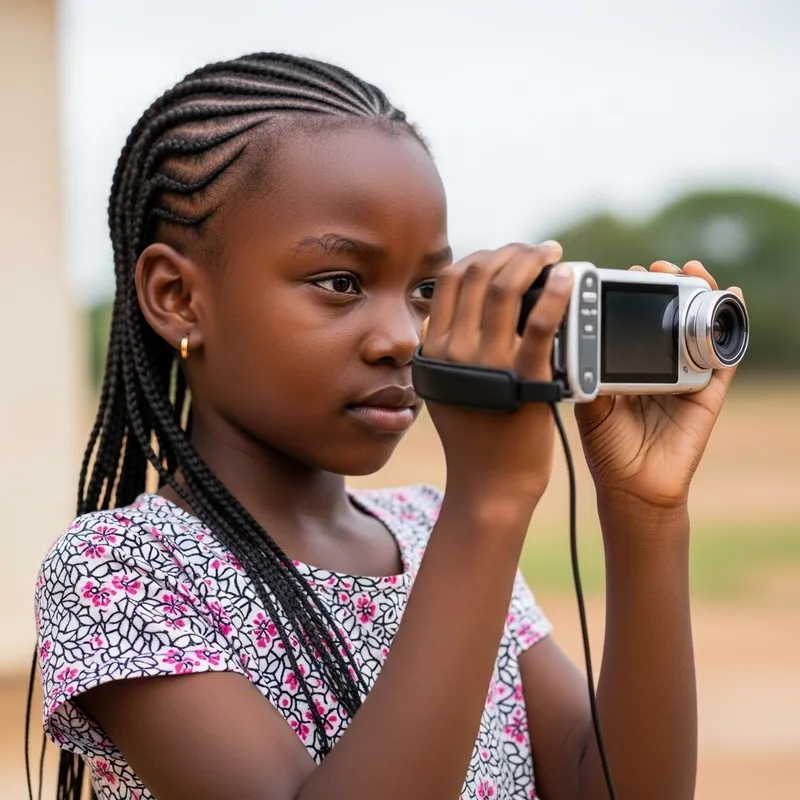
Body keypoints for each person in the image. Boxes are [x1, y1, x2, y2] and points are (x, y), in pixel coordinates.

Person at [33, 52, 743, 800]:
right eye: (341, 283)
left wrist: (644, 513)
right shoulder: (122, 571)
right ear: (178, 296)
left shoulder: (431, 528)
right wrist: (489, 502)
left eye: (426, 289)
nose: (404, 337)